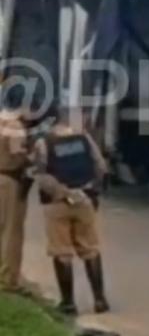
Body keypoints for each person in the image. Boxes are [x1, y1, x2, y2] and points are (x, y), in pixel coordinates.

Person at [33, 107, 109, 315]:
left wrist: (63, 192)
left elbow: (41, 175)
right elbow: (101, 166)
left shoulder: (44, 142)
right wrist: (92, 190)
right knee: (90, 249)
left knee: (61, 252)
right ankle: (100, 300)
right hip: (84, 198)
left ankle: (68, 303)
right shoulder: (84, 140)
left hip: (57, 203)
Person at [0, 91, 33, 294]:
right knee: (12, 231)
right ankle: (9, 279)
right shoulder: (15, 127)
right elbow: (17, 157)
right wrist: (32, 156)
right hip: (9, 180)